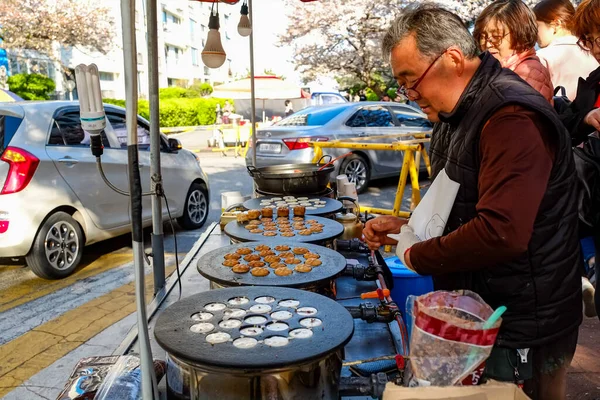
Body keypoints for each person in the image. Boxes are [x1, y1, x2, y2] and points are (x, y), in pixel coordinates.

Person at [374, 5, 581, 399]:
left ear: (452, 60)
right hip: (482, 308)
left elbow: (501, 231)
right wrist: (406, 227)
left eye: (410, 80)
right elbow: (465, 203)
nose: (410, 94)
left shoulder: (510, 115)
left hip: (525, 322)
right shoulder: (457, 113)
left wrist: (417, 256)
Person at [557, 0, 600, 319]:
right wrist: (587, 118)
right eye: (588, 39)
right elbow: (570, 122)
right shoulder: (594, 79)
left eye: (596, 37)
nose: (593, 47)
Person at [473, 0, 554, 102]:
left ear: (520, 35)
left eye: (496, 37)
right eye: (483, 36)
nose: (488, 44)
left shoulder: (529, 71)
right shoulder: (496, 67)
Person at [534, 0, 598, 100]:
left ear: (556, 24)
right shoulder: (589, 50)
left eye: (537, 26)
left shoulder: (542, 58)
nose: (534, 34)